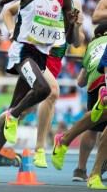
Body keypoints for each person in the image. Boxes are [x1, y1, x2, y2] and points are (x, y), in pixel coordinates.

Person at [0, 0, 79, 186]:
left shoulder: (65, 1)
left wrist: (72, 22)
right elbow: (0, 2)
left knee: (17, 105)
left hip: (41, 57)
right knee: (43, 90)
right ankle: (12, 117)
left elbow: (70, 39)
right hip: (22, 52)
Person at [0, 0, 84, 169]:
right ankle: (40, 149)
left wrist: (76, 25)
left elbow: (77, 42)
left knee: (25, 109)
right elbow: (8, 12)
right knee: (52, 93)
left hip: (55, 62)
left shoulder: (73, 4)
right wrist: (12, 32)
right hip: (35, 57)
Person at [50, 23, 107, 189]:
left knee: (95, 124)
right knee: (101, 116)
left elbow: (80, 81)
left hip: (94, 80)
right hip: (102, 77)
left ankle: (82, 170)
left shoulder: (91, 45)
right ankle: (65, 141)